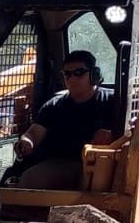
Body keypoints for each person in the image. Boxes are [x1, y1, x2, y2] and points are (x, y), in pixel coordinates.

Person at [13, 50, 117, 190]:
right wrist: (27, 142)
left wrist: (112, 137)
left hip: (102, 166)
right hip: (62, 164)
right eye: (67, 74)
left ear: (94, 75)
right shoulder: (54, 105)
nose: (72, 79)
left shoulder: (114, 102)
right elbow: (33, 134)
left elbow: (129, 134)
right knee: (29, 180)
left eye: (79, 73)